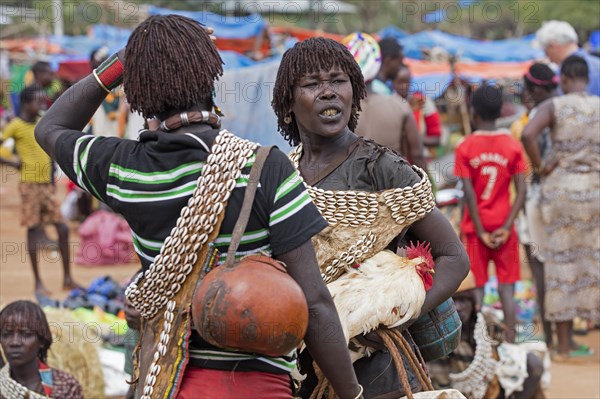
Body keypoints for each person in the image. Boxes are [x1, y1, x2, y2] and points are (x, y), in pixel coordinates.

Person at [34, 15, 362, 399]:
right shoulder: (262, 168)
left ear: (136, 89)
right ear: (211, 72)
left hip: (167, 382)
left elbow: (49, 129)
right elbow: (316, 304)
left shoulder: (121, 167)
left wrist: (125, 61)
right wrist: (352, 394)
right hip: (258, 386)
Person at [272, 37, 469, 398]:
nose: (328, 92)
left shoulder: (382, 168)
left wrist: (400, 315)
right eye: (312, 84)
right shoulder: (279, 174)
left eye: (338, 81)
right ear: (288, 102)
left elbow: (454, 256)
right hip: (298, 369)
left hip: (380, 373)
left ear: (355, 92)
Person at [522, 55, 600, 362]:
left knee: (561, 265)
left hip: (561, 194)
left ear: (564, 79)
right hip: (594, 192)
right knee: (592, 261)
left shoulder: (554, 106)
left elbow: (528, 134)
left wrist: (541, 168)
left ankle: (564, 346)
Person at [454, 84, 527, 343]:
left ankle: (478, 345)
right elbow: (521, 191)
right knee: (507, 291)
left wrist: (481, 231)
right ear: (500, 112)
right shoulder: (512, 145)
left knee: (477, 289)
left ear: (474, 112)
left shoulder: (465, 147)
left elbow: (469, 194)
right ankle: (509, 345)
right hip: (504, 228)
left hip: (477, 230)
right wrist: (507, 226)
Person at [0, 85, 79, 295]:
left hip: (46, 185)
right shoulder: (15, 126)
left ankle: (68, 278)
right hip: (30, 186)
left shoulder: (40, 123)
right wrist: (12, 164)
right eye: (37, 101)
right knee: (34, 232)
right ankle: (38, 283)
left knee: (62, 229)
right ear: (26, 104)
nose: (42, 105)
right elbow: (2, 148)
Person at [510, 63, 557, 350]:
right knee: (545, 266)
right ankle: (552, 329)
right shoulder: (548, 117)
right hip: (539, 201)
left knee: (542, 266)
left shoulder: (526, 124)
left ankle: (552, 330)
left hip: (534, 201)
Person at [349, 33, 428, 172]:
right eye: (400, 60)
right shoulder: (396, 102)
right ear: (386, 60)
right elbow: (416, 153)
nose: (401, 65)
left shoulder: (340, 105)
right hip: (390, 184)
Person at [0, 300, 83, 398]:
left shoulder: (65, 386)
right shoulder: (2, 385)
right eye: (6, 335)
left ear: (42, 341)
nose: (14, 342)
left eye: (26, 334)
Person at [535, 20, 600, 96]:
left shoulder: (563, 72)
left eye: (546, 52)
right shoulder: (597, 63)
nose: (548, 58)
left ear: (552, 47)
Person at [394, 64, 443, 153]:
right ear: (392, 82)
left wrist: (414, 139)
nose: (405, 86)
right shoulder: (387, 104)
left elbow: (436, 139)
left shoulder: (422, 101)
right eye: (400, 82)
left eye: (408, 82)